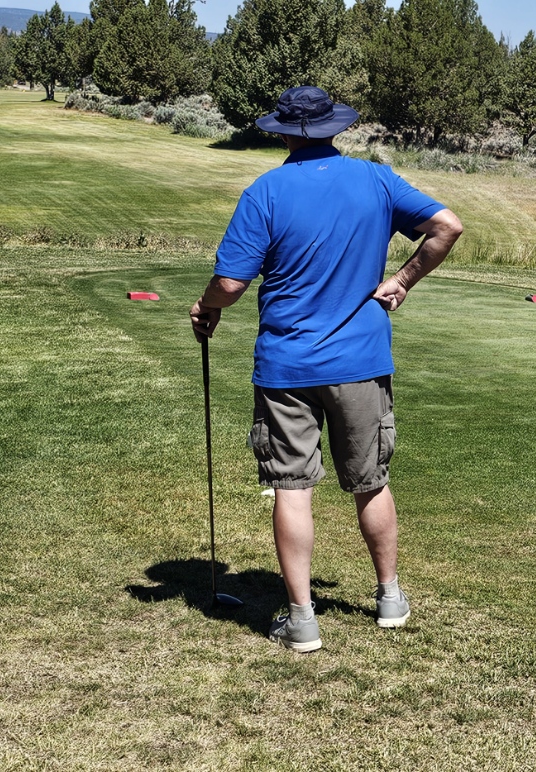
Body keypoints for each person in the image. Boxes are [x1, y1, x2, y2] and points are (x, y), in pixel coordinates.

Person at [188, 86, 463, 653]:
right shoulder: (376, 180)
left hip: (287, 366)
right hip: (361, 361)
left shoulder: (265, 192)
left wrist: (206, 306)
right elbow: (447, 226)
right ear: (333, 128)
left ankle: (302, 620)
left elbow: (231, 283)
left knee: (292, 487)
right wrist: (402, 281)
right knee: (370, 481)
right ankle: (389, 598)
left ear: (284, 133)